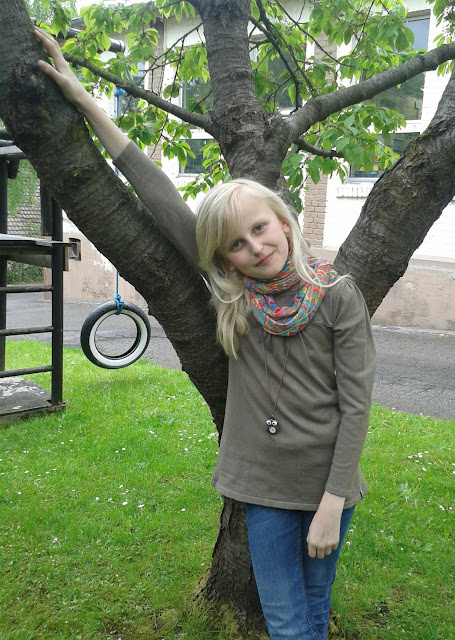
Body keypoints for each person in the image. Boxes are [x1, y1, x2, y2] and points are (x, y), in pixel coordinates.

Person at [34, 27, 376, 640]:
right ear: (223, 257)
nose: (255, 247)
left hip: (327, 488)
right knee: (286, 621)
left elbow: (356, 407)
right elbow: (153, 187)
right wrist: (83, 99)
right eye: (236, 244)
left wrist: (333, 503)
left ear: (284, 223)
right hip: (262, 488)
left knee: (314, 611)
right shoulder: (234, 298)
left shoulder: (337, 295)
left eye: (260, 229)